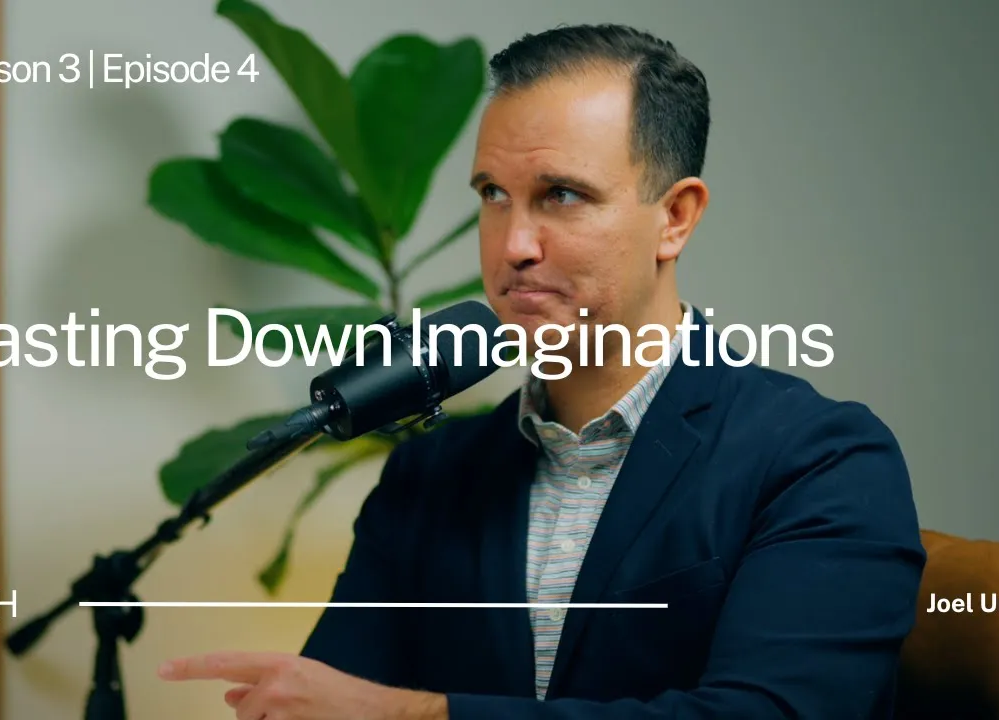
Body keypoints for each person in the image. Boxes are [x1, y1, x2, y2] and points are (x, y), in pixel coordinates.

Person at [158, 23, 927, 719]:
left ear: (675, 217)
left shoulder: (822, 460)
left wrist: (413, 715)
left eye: (561, 194)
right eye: (494, 195)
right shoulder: (430, 476)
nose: (514, 245)